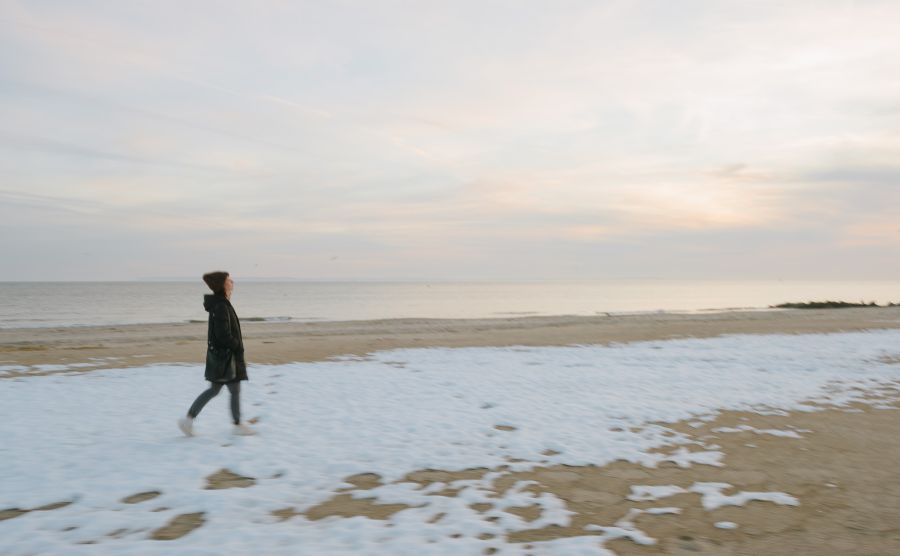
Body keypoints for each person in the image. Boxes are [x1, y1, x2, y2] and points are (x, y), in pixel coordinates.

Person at [178, 271, 256, 436]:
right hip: (225, 358)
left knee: (222, 389)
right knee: (224, 389)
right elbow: (223, 335)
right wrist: (236, 345)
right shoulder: (221, 306)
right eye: (229, 280)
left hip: (224, 357)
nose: (232, 282)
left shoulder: (222, 303)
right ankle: (235, 424)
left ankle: (190, 420)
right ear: (222, 285)